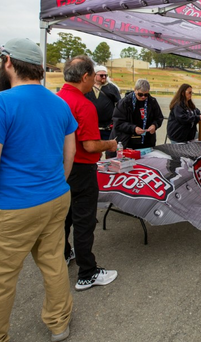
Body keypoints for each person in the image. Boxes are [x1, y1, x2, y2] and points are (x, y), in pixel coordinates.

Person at [0, 38, 77, 342]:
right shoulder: (59, 102)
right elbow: (69, 153)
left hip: (12, 206)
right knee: (54, 263)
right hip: (55, 197)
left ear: (8, 62)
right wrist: (56, 182)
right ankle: (59, 323)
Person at [57, 56, 119, 292]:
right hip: (82, 169)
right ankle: (87, 273)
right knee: (84, 221)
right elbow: (91, 145)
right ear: (85, 77)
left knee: (64, 217)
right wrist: (110, 144)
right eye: (94, 76)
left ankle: (64, 253)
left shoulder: (56, 99)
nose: (95, 80)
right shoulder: (83, 105)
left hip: (59, 169)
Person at [112, 79, 164, 149]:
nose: (143, 97)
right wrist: (134, 128)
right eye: (140, 94)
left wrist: (154, 125)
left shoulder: (152, 101)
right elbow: (118, 122)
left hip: (147, 141)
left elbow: (159, 117)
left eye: (146, 95)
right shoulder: (124, 103)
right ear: (135, 90)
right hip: (128, 141)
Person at [85, 65, 121, 158]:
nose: (104, 77)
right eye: (101, 75)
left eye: (105, 75)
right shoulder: (87, 87)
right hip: (92, 127)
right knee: (94, 153)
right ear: (95, 75)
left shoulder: (112, 88)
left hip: (108, 127)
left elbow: (119, 105)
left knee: (111, 152)